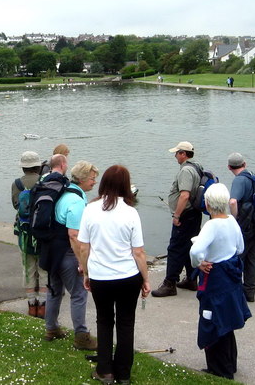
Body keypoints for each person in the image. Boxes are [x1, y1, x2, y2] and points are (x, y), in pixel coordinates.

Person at [78, 165, 150, 384]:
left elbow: (83, 247)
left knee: (104, 320)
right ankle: (124, 373)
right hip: (128, 276)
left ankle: (105, 370)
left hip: (101, 275)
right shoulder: (131, 212)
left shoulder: (91, 209)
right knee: (126, 323)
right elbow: (138, 252)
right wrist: (145, 278)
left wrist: (87, 273)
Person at [190, 183, 251, 380]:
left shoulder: (211, 225)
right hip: (231, 276)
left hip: (215, 278)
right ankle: (229, 363)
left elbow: (195, 250)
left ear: (207, 204)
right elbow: (240, 248)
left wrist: (198, 263)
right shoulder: (232, 221)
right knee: (228, 318)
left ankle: (219, 368)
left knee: (212, 318)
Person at [44, 158, 98, 350]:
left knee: (54, 290)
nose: (94, 182)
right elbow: (74, 235)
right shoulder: (76, 201)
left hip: (52, 252)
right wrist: (82, 262)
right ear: (82, 179)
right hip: (67, 253)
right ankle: (81, 337)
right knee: (78, 294)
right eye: (92, 178)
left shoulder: (66, 192)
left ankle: (51, 329)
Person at [152, 141, 202, 297]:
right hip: (194, 214)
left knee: (174, 248)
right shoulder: (196, 167)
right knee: (189, 246)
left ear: (183, 154)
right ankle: (192, 279)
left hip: (185, 215)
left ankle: (170, 283)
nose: (175, 156)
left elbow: (185, 195)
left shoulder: (186, 170)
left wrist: (177, 215)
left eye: (177, 153)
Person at [11, 151, 46, 318]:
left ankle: (32, 305)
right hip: (42, 233)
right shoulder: (44, 181)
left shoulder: (17, 183)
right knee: (44, 269)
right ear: (38, 166)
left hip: (24, 234)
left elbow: (15, 205)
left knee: (28, 269)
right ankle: (43, 305)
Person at [227, 152, 255, 302]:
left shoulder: (239, 180)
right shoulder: (252, 176)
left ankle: (235, 291)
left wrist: (234, 218)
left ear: (229, 167)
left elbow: (232, 202)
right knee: (253, 258)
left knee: (238, 257)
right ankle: (250, 291)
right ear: (245, 164)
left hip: (245, 224)